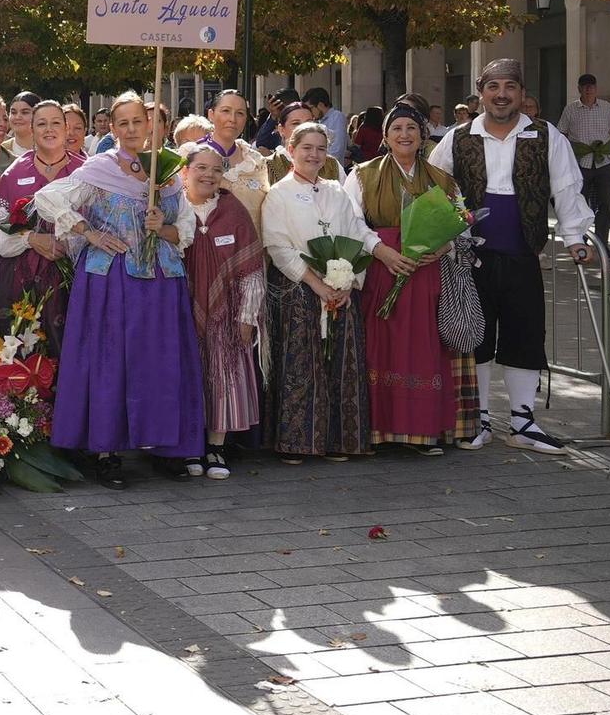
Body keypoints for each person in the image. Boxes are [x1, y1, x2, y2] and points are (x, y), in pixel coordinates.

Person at [34, 93, 206, 488]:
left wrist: (160, 225)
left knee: (160, 361)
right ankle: (107, 451)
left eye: (137, 122)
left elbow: (184, 231)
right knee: (110, 361)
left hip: (162, 281)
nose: (131, 129)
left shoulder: (165, 170)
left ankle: (166, 446)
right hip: (111, 280)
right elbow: (48, 199)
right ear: (112, 129)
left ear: (150, 127)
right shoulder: (100, 168)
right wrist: (88, 232)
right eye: (122, 123)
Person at [430, 57, 593, 454]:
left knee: (524, 334)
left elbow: (567, 187)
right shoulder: (458, 136)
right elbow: (434, 191)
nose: (502, 95)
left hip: (523, 254)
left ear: (522, 93)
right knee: (477, 335)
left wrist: (574, 236)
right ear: (481, 92)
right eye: (494, 87)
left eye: (510, 87)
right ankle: (479, 418)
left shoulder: (546, 135)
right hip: (471, 259)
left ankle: (523, 422)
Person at [264, 123, 407, 461]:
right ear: (291, 149)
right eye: (306, 148)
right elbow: (278, 245)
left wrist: (346, 281)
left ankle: (337, 440)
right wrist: (316, 283)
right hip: (299, 290)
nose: (313, 155)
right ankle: (297, 441)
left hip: (340, 290)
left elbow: (355, 232)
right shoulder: (278, 194)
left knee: (340, 365)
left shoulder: (336, 190)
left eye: (320, 148)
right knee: (303, 365)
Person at [345, 104, 470, 453]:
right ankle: (378, 429)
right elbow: (351, 220)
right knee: (380, 346)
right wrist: (379, 250)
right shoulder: (361, 175)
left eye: (411, 128)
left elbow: (461, 222)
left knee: (422, 348)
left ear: (422, 135)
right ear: (385, 136)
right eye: (397, 128)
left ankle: (421, 429)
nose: (404, 134)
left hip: (425, 273)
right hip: (382, 269)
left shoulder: (442, 179)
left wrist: (443, 246)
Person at [176, 144, 263, 480]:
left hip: (226, 315)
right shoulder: (173, 209)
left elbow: (252, 268)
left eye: (215, 169)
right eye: (201, 168)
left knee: (223, 379)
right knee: (188, 378)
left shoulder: (233, 210)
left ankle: (216, 446)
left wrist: (246, 317)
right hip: (181, 312)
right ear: (185, 171)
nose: (208, 175)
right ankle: (189, 447)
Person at [0, 101, 84, 356]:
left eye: (56, 122)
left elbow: (100, 225)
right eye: (41, 124)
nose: (49, 129)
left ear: (67, 129)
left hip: (73, 279)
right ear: (31, 130)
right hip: (23, 281)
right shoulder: (14, 173)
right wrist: (32, 238)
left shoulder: (85, 173)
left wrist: (70, 244)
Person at [558, 73, 610, 244]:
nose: (588, 89)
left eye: (591, 85)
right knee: (579, 204)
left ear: (596, 88)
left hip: (604, 162)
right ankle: (580, 242)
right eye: (585, 86)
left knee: (606, 204)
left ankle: (602, 243)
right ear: (579, 88)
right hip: (579, 163)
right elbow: (561, 133)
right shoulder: (570, 109)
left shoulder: (606, 107)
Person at [202, 89, 271, 219]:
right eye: (225, 111)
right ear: (211, 114)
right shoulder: (191, 155)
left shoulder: (255, 161)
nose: (232, 119)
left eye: (240, 113)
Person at [265, 101, 340, 183]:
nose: (304, 128)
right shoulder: (268, 166)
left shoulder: (332, 165)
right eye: (296, 123)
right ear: (281, 130)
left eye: (309, 123)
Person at [304, 87, 348, 169]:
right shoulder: (317, 121)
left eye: (310, 108)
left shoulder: (337, 117)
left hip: (332, 171)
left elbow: (336, 150)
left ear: (320, 105)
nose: (309, 112)